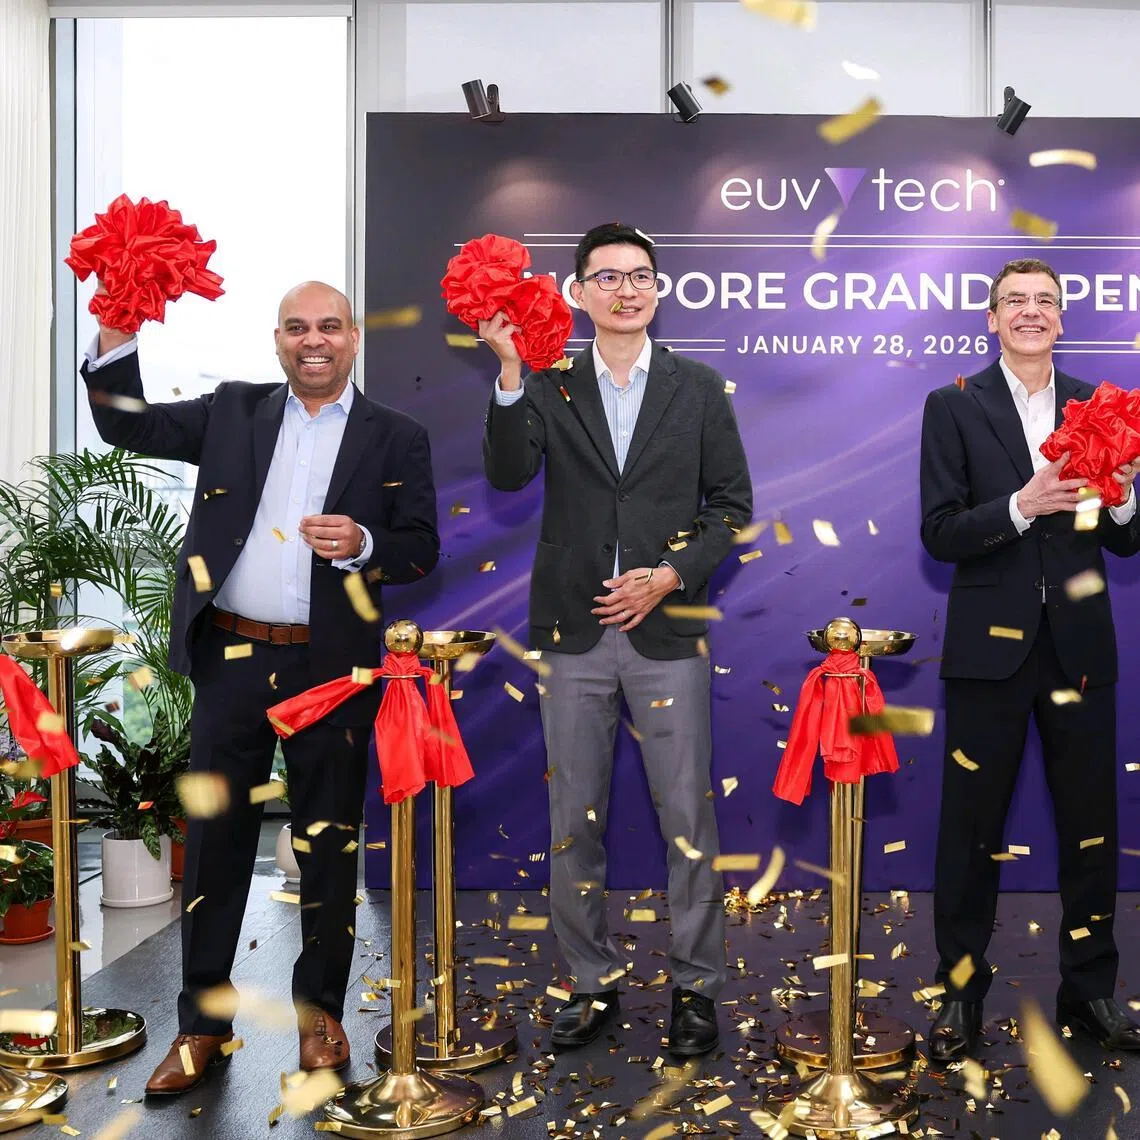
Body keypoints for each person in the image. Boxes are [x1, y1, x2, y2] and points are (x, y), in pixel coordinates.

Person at [81, 281, 440, 1094]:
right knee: (213, 851)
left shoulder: (397, 436)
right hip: (233, 660)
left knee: (326, 845)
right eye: (296, 328)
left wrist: (363, 542)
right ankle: (202, 1029)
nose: (313, 341)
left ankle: (320, 1016)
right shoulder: (233, 410)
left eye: (329, 327)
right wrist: (114, 330)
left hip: (335, 670)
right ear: (277, 339)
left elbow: (420, 550)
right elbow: (123, 422)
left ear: (354, 336)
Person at [481, 223, 752, 1055]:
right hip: (573, 630)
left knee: (686, 822)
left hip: (666, 628)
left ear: (659, 290)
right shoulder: (550, 381)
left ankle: (695, 991)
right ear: (580, 292)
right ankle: (590, 982)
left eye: (640, 276)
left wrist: (667, 575)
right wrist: (508, 371)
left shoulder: (699, 387)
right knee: (575, 820)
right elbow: (505, 474)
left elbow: (730, 507)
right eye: (607, 277)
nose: (626, 290)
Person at [920, 257, 1140, 1061]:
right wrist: (1022, 506)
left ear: (1061, 317)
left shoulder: (1099, 406)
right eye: (1014, 301)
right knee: (970, 833)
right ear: (990, 319)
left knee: (1091, 830)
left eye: (1045, 301)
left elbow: (1127, 537)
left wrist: (1119, 494)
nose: (1031, 313)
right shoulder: (952, 406)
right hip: (988, 656)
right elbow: (940, 533)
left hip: (1081, 651)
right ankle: (959, 997)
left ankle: (1091, 996)